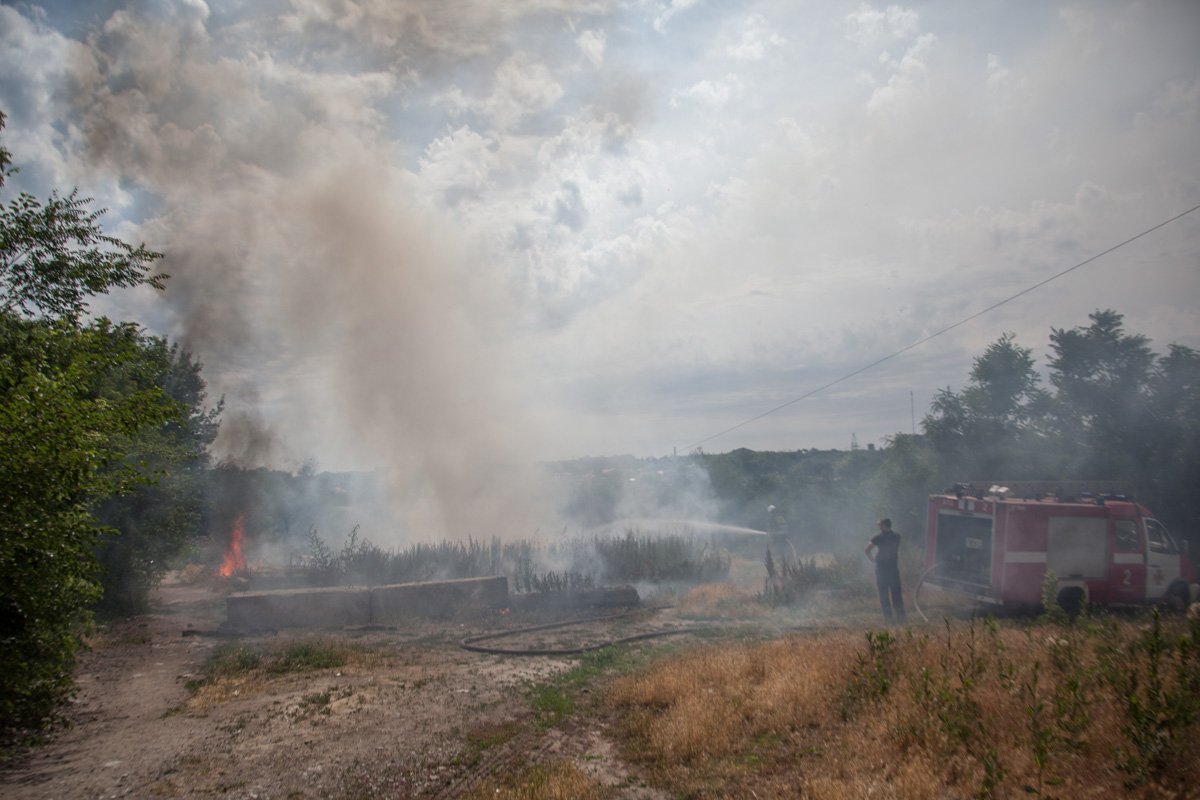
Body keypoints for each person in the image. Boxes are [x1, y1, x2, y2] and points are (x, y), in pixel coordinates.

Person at [865, 518, 906, 623]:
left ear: (883, 526)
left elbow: (867, 550)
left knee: (884, 595)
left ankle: (889, 619)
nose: (879, 527)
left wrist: (873, 560)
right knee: (896, 595)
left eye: (880, 525)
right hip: (893, 570)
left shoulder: (878, 538)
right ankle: (901, 618)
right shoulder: (897, 537)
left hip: (882, 570)